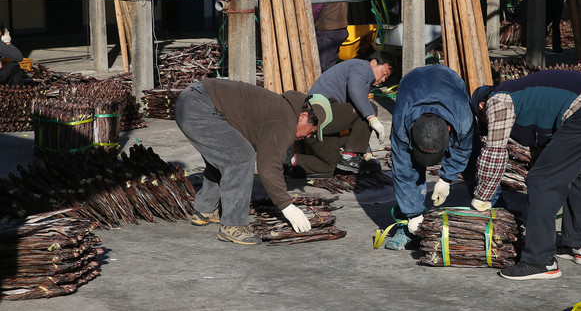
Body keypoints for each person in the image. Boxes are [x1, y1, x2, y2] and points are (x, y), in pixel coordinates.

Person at [470, 69, 581, 280]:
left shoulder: (498, 99)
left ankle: (539, 261)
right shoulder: (529, 96)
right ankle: (577, 244)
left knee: (541, 180)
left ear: (481, 106)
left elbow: (494, 153)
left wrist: (482, 197)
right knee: (580, 173)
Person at [174, 78, 332, 246]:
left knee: (228, 155)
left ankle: (206, 209)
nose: (308, 136)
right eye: (312, 131)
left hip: (192, 100)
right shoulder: (284, 121)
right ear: (303, 116)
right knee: (241, 157)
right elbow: (269, 167)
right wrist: (288, 207)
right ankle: (233, 226)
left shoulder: (281, 109)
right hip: (198, 107)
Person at [385, 65, 479, 251]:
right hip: (411, 83)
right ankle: (407, 222)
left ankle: (490, 205)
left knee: (473, 155)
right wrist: (413, 214)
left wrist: (446, 179)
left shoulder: (462, 120)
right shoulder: (402, 124)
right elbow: (403, 171)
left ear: (449, 129)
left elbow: (462, 150)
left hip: (449, 80)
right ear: (412, 129)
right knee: (409, 164)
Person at [285, 50, 395, 178]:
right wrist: (372, 117)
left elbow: (359, 125)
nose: (383, 79)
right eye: (384, 74)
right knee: (370, 108)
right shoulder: (361, 66)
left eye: (386, 78)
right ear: (373, 63)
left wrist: (367, 152)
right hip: (318, 114)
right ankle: (350, 156)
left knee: (330, 166)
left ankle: (289, 160)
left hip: (319, 127)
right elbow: (355, 90)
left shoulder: (362, 81)